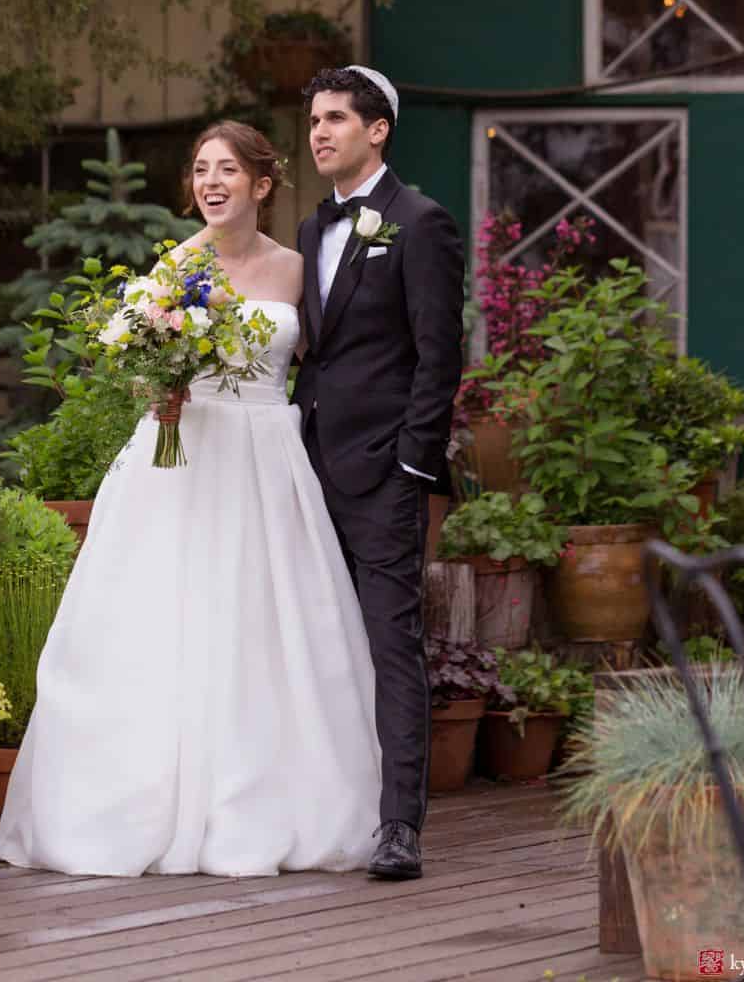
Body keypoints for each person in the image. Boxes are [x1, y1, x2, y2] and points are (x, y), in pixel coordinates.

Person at [0, 120, 383, 878]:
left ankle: (270, 802)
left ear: (262, 185)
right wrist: (158, 384)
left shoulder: (300, 271)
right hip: (181, 460)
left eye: (227, 170)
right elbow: (140, 366)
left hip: (267, 461)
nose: (210, 182)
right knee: (163, 623)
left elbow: (329, 365)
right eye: (201, 170)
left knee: (268, 630)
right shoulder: (173, 268)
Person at [294, 65, 465, 881]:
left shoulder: (420, 222)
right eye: (315, 121)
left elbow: (440, 355)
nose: (320, 132)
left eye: (335, 119)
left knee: (391, 643)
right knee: (311, 641)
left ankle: (401, 826)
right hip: (303, 469)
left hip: (383, 474)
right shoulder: (307, 230)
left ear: (378, 130)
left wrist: (412, 463)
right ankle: (318, 804)